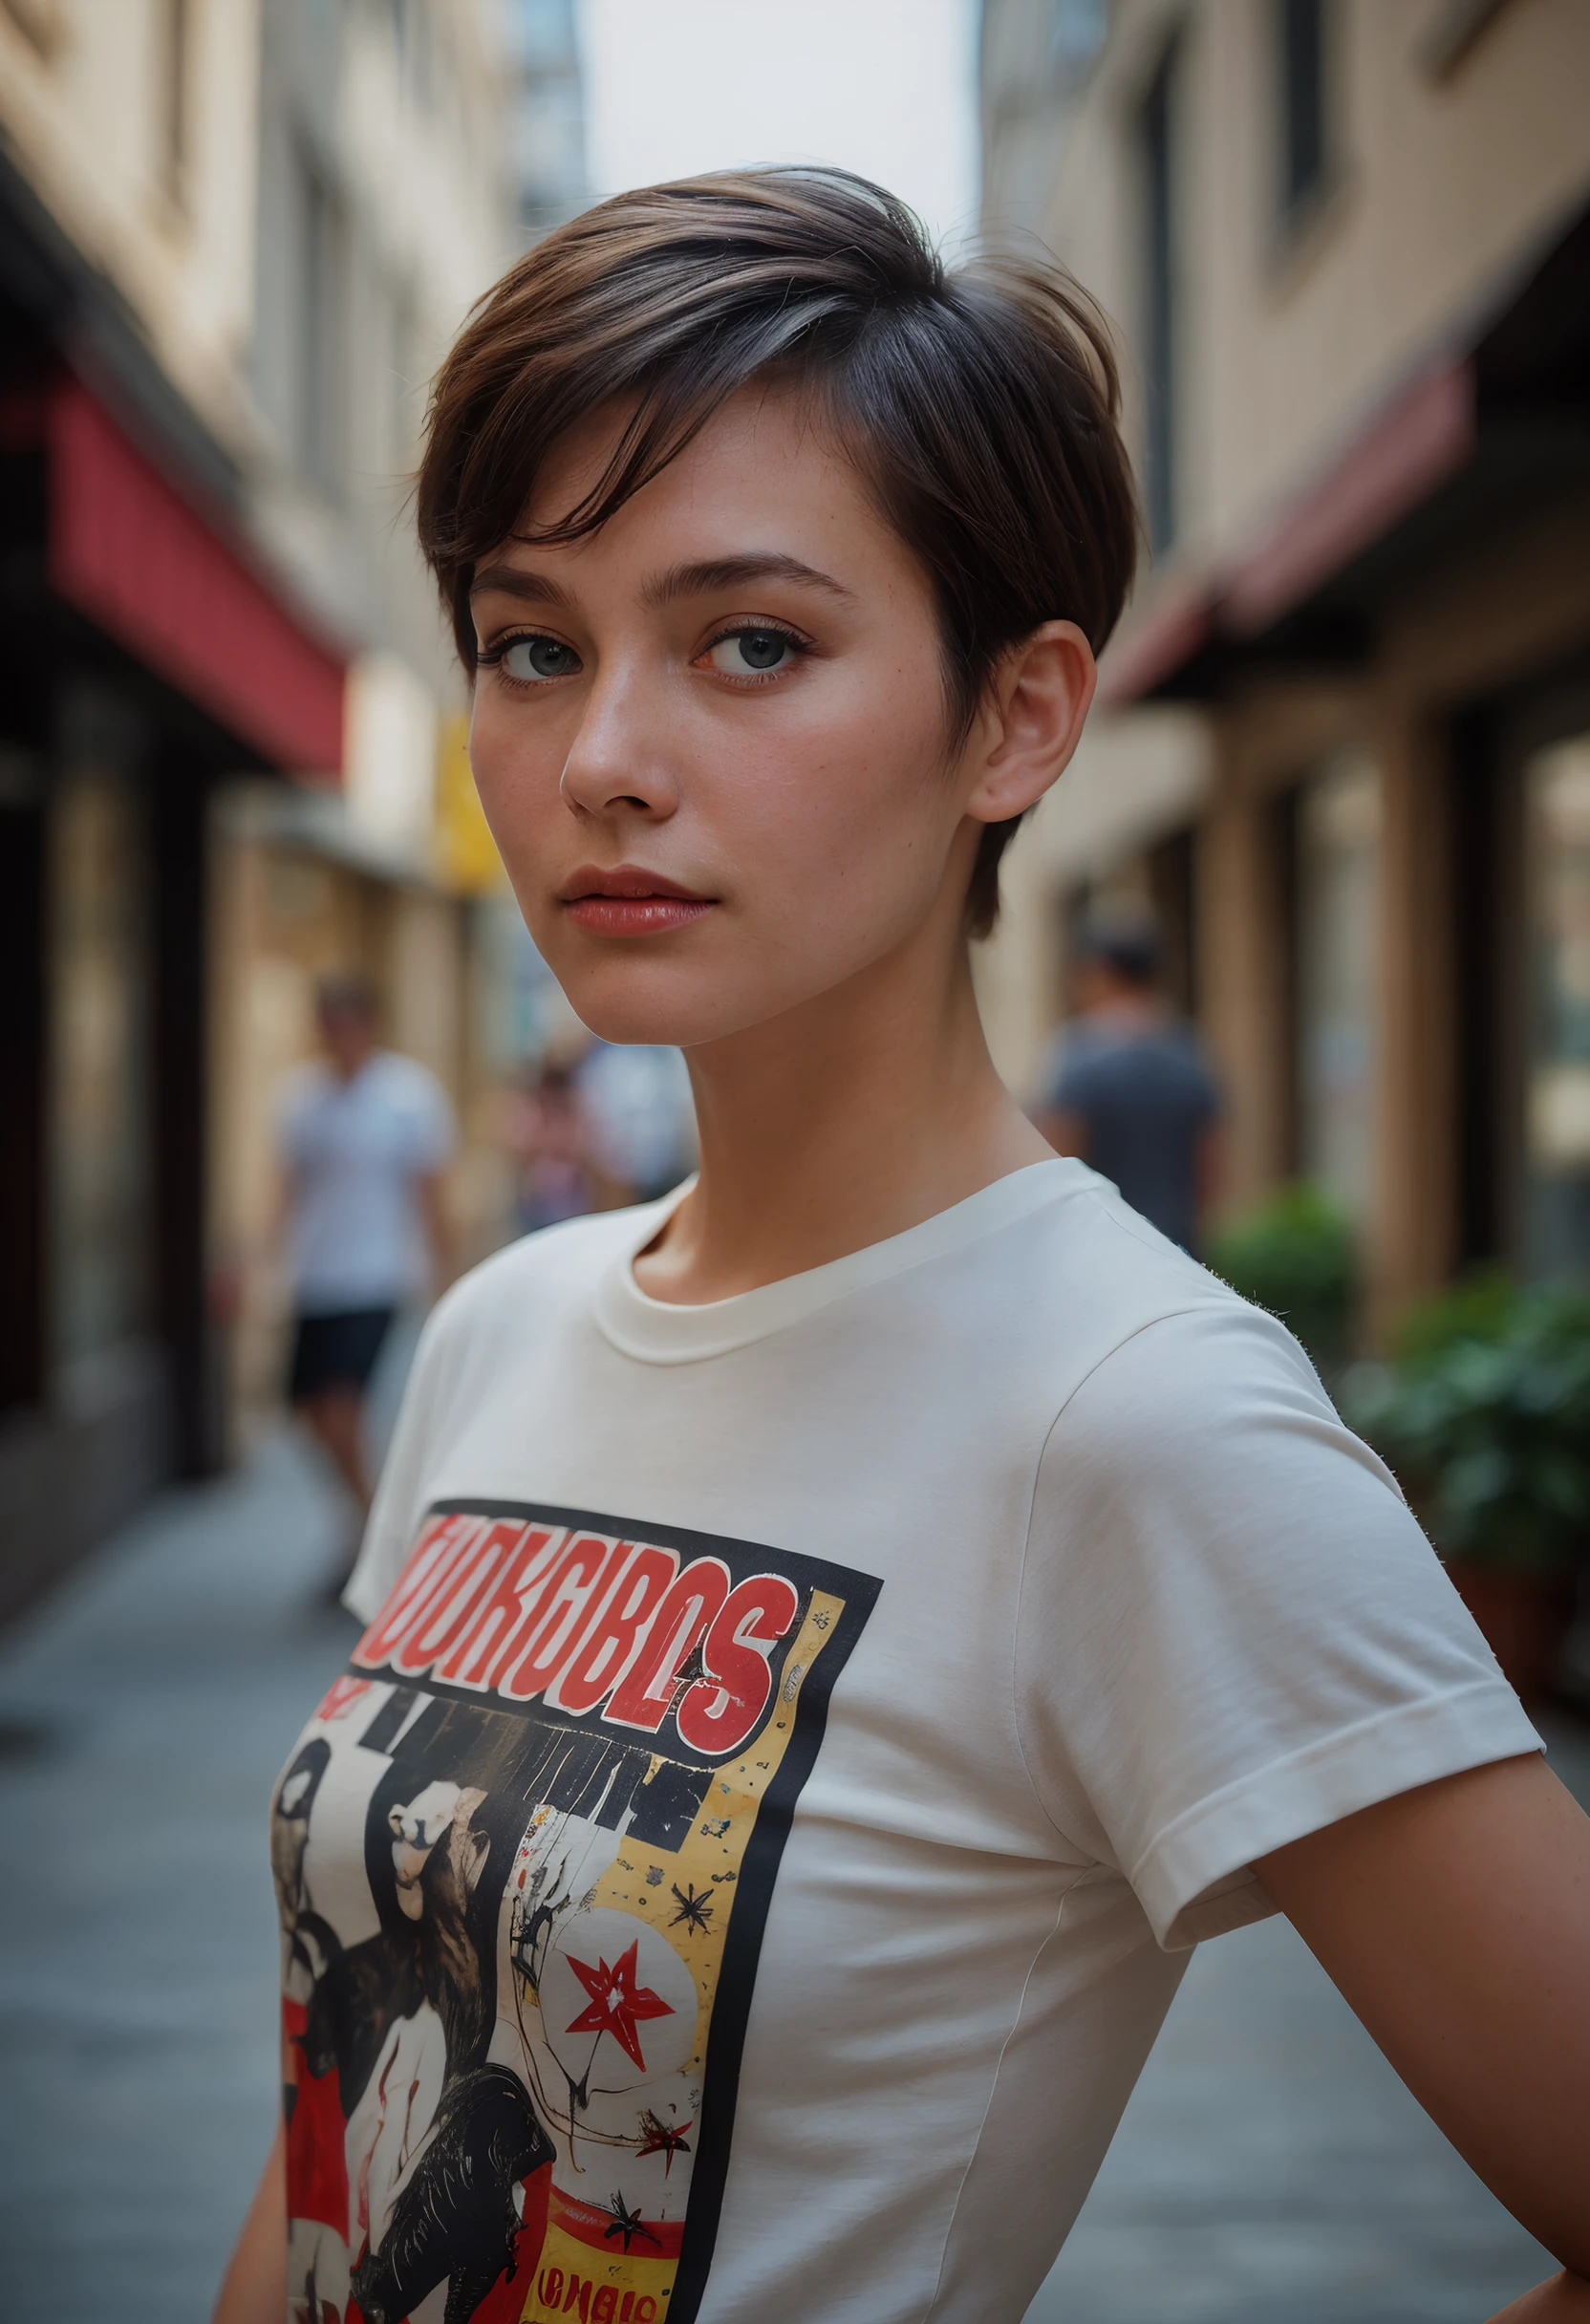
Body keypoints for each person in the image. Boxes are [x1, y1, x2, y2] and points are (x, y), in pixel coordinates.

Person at [216, 171, 1590, 2324]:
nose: (598, 761)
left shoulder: (1129, 1413)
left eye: (750, 643)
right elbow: (324, 2169)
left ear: (1017, 719)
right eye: (530, 645)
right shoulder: (502, 1334)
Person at [275, 974, 456, 1540]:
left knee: (342, 1411)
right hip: (316, 1276)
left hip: (378, 1276)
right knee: (309, 1414)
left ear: (367, 1026)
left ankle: (376, 1535)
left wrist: (444, 1281)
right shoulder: (302, 1098)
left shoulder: (408, 1097)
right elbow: (284, 1192)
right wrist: (259, 1262)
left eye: (347, 1026)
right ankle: (367, 1521)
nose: (338, 1038)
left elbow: (431, 1196)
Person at [1035, 907, 1219, 1252]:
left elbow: (1058, 1159)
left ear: (1102, 972)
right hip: (1178, 1249)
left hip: (1101, 1251)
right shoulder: (1192, 1053)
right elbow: (1210, 1169)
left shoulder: (1078, 1053)